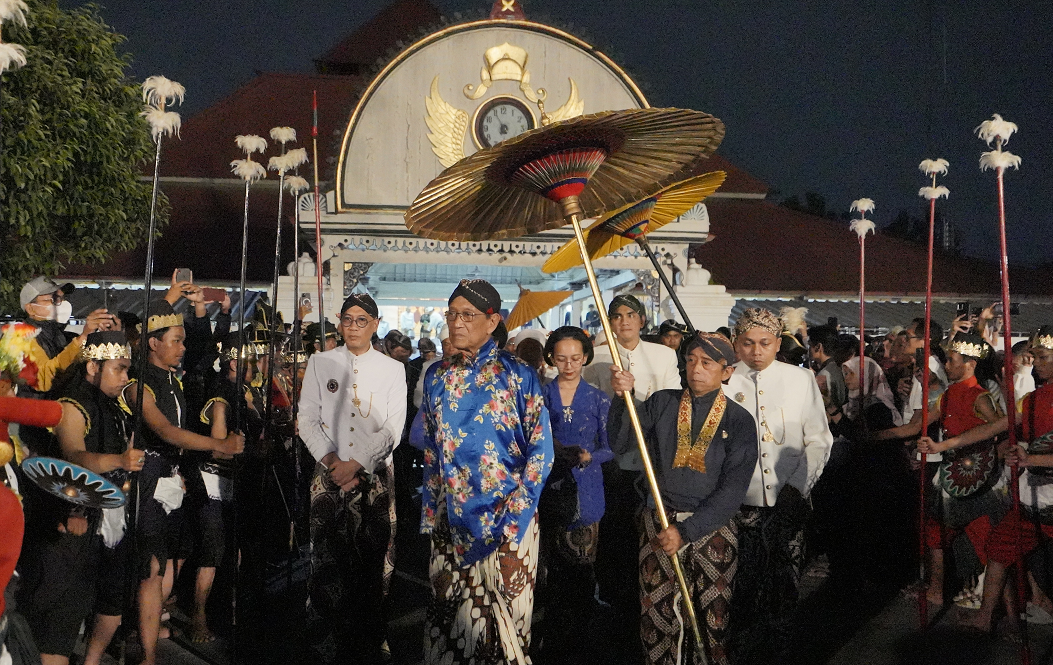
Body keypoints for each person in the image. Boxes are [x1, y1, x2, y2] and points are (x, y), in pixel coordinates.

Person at [417, 279, 553, 665]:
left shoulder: (519, 374)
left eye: (467, 315)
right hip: (450, 517)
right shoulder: (436, 376)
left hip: (509, 514)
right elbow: (432, 450)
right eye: (451, 314)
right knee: (449, 616)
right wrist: (430, 512)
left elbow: (541, 452)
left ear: (492, 322)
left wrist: (516, 519)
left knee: (507, 621)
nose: (456, 323)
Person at [609, 332, 757, 665]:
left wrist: (687, 532)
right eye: (690, 360)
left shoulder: (739, 420)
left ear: (727, 371)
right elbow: (621, 443)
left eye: (707, 363)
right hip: (660, 521)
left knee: (711, 621)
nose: (696, 369)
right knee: (656, 620)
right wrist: (623, 398)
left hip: (712, 528)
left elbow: (732, 491)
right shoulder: (663, 402)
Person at [123, 300, 245, 665]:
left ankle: (151, 628)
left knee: (171, 559)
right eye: (176, 340)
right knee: (151, 568)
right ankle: (146, 654)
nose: (183, 347)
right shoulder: (138, 383)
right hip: (147, 479)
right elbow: (165, 431)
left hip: (174, 478)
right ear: (153, 343)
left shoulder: (174, 380)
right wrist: (218, 445)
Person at [16, 331, 144, 665]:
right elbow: (73, 456)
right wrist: (118, 461)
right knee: (54, 627)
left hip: (100, 526)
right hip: (64, 527)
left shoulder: (113, 406)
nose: (125, 377)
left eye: (127, 369)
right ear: (92, 368)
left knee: (93, 612)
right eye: (119, 368)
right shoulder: (72, 406)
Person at [298, 293, 406, 663]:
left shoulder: (393, 369)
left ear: (375, 324)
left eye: (362, 320)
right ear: (340, 323)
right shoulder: (320, 362)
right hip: (328, 473)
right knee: (326, 558)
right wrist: (333, 461)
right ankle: (324, 642)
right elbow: (307, 418)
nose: (354, 326)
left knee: (374, 562)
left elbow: (393, 428)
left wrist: (357, 462)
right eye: (348, 319)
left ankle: (371, 637)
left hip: (373, 475)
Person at [927, 326, 1053, 633]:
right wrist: (943, 446)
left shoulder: (982, 395)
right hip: (1032, 497)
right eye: (1034, 357)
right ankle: (987, 617)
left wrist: (1030, 459)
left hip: (1036, 494)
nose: (1036, 363)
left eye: (1044, 356)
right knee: (998, 548)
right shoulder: (1033, 400)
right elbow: (993, 428)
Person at [724, 308, 832, 664]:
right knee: (737, 587)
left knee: (784, 586)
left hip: (789, 501)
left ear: (777, 344)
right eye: (748, 343)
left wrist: (798, 485)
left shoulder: (800, 380)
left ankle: (780, 652)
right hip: (737, 504)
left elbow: (818, 440)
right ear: (736, 344)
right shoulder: (725, 380)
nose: (756, 351)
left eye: (765, 343)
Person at [582, 294, 680, 658]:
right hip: (611, 460)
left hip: (651, 458)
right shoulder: (597, 359)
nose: (623, 322)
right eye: (616, 316)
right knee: (616, 530)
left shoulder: (663, 355)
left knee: (650, 528)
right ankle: (615, 601)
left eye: (629, 316)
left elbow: (669, 404)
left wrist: (636, 392)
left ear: (641, 320)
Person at [909, 333, 1005, 610]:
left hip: (977, 480)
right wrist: (876, 436)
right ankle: (937, 590)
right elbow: (917, 426)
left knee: (983, 539)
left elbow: (1000, 430)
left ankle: (988, 599)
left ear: (970, 364)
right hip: (951, 474)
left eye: (951, 361)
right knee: (935, 533)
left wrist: (987, 466)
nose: (947, 366)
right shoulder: (949, 394)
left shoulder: (981, 397)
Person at [537, 327, 613, 663]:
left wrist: (588, 457)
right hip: (548, 488)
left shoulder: (599, 399)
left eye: (576, 358)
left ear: (585, 358)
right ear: (551, 358)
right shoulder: (540, 396)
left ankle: (581, 638)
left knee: (583, 570)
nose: (568, 364)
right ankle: (554, 636)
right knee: (552, 570)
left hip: (586, 489)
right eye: (561, 358)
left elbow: (610, 448)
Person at [19, 276, 116, 395]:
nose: (60, 304)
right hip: (36, 411)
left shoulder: (63, 336)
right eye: (52, 299)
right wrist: (84, 336)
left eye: (61, 299)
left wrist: (111, 336)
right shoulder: (21, 338)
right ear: (31, 309)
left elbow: (90, 370)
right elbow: (43, 379)